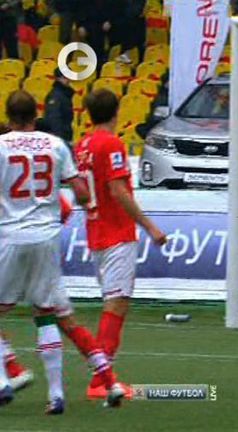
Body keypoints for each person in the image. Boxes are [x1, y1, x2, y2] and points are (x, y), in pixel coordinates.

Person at [0, 90, 125, 412]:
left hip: (11, 236)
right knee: (47, 314)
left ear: (8, 117)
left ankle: (3, 380)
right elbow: (81, 193)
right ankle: (57, 394)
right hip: (47, 238)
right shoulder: (55, 144)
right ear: (37, 113)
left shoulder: (1, 146)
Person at [74, 89, 168, 399]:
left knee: (113, 300)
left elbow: (80, 192)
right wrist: (150, 227)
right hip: (116, 233)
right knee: (117, 302)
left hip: (95, 231)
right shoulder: (111, 144)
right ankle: (103, 380)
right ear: (117, 111)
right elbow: (118, 190)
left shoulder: (82, 146)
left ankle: (102, 378)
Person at [42, 69, 75, 143]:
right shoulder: (56, 96)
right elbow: (54, 118)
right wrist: (59, 139)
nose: (68, 79)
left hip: (65, 135)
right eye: (65, 77)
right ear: (58, 78)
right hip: (59, 138)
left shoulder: (66, 94)